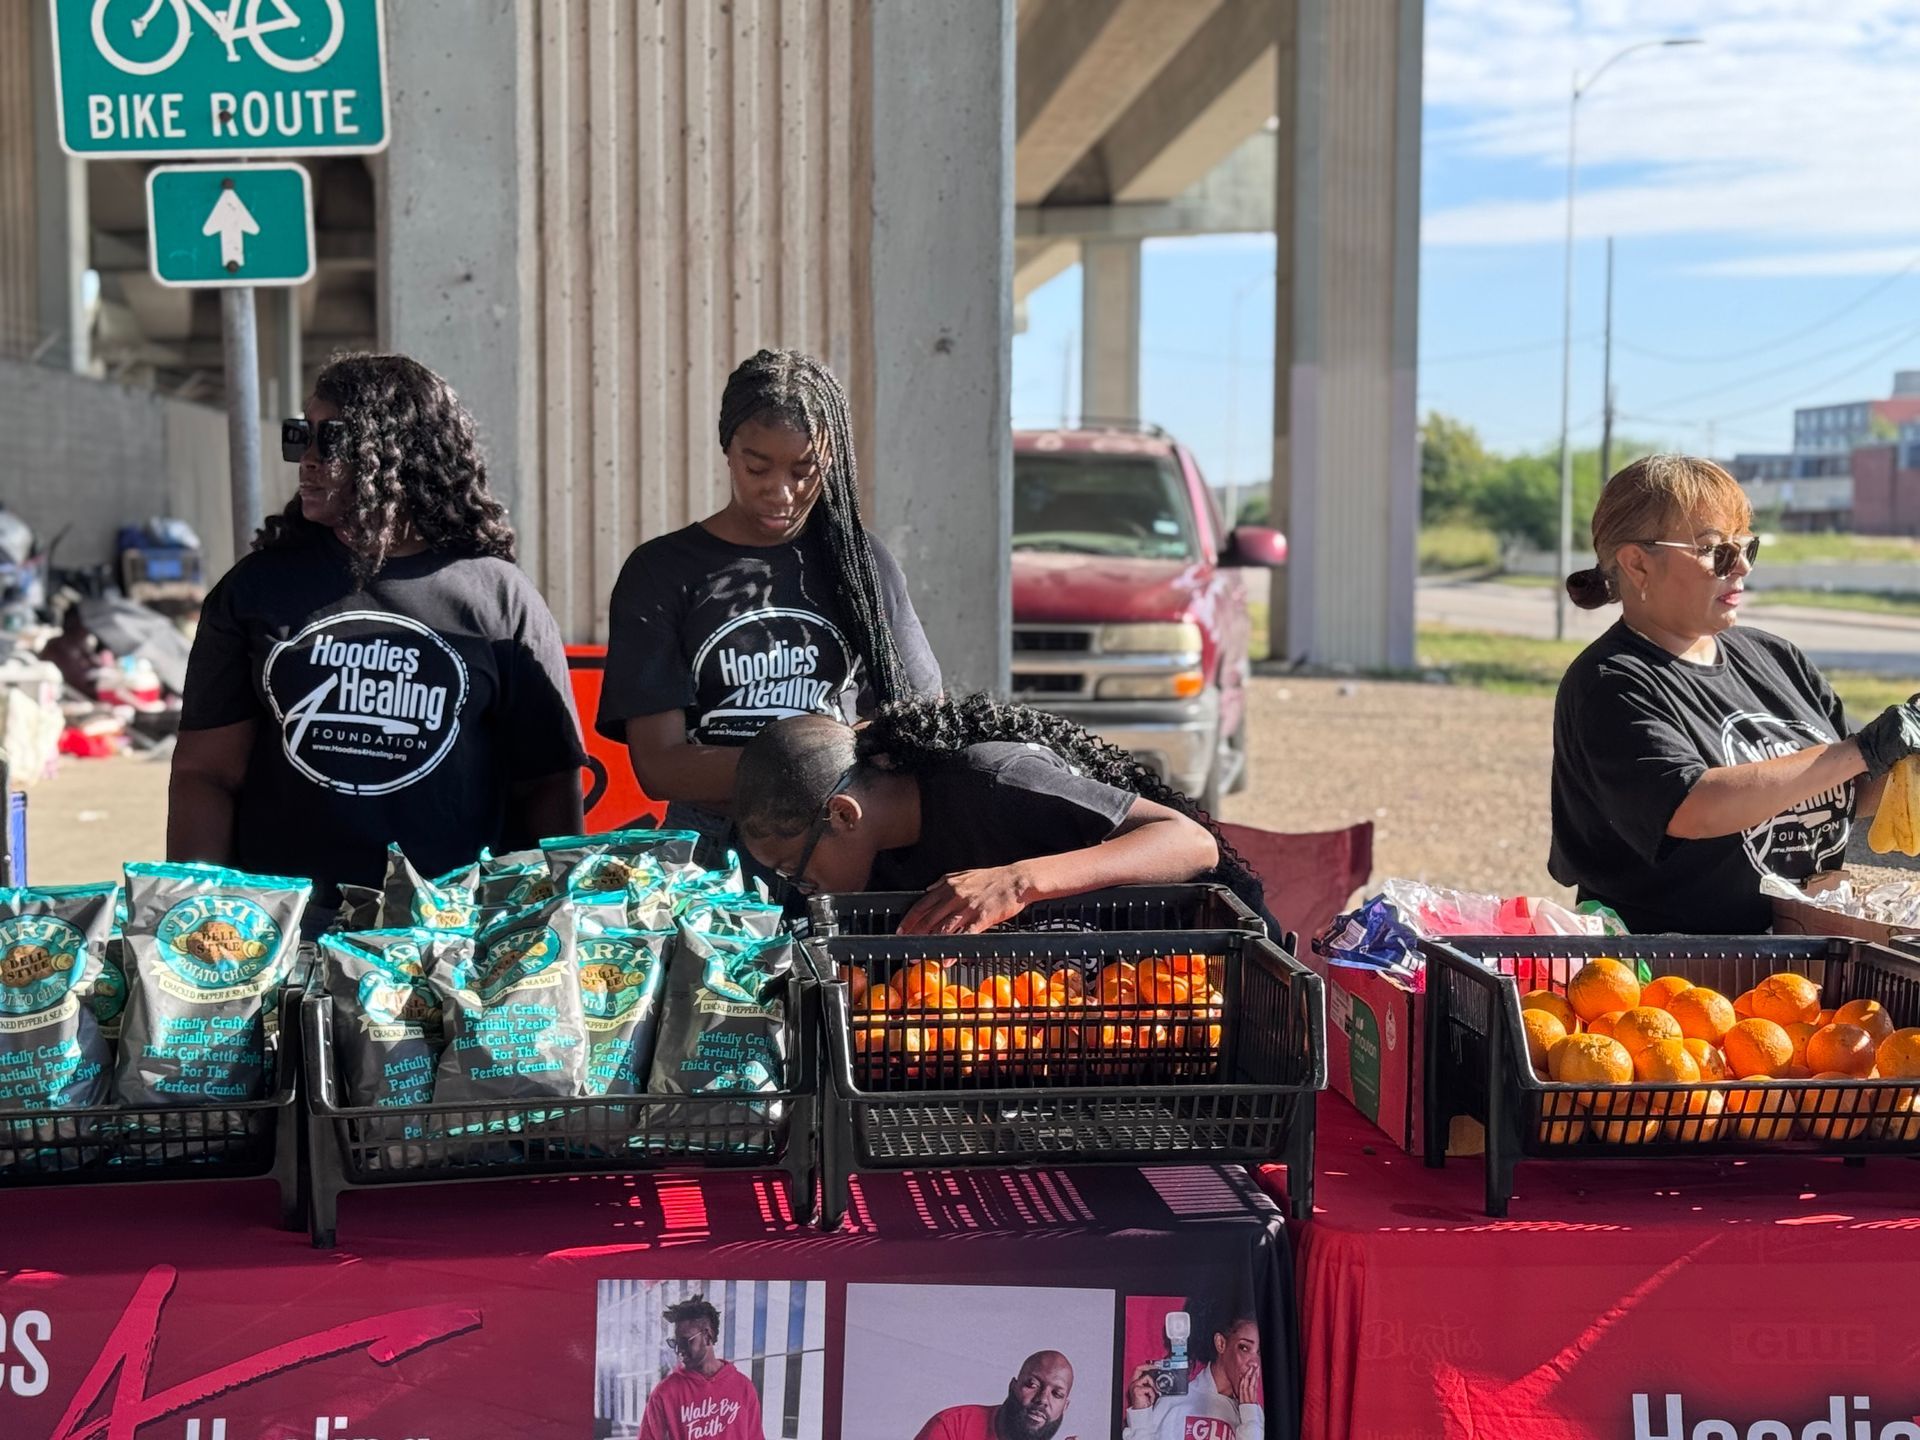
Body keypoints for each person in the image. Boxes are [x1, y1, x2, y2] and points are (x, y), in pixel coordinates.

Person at [168, 353, 585, 908]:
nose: (308, 460)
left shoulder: (499, 600)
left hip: (445, 941)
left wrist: (544, 922)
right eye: (301, 436)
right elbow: (206, 773)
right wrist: (198, 909)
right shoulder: (255, 591)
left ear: (398, 455)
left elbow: (548, 787)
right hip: (286, 932)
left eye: (331, 439)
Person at [596, 348, 940, 872]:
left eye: (806, 470)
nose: (782, 492)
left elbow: (918, 723)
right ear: (728, 449)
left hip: (840, 847)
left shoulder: (863, 564)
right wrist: (821, 770)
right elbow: (660, 766)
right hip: (711, 857)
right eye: (758, 466)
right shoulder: (661, 571)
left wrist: (820, 782)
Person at [1551, 454, 1920, 933]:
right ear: (1638, 564)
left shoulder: (1775, 657)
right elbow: (1693, 807)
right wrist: (1858, 750)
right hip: (1673, 977)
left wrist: (1899, 757)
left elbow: (1845, 788)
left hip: (1801, 956)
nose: (1741, 565)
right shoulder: (1611, 681)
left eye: (1746, 546)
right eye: (1714, 550)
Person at [730, 695, 1271, 933]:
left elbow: (1190, 843)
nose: (804, 890)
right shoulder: (876, 866)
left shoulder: (994, 780)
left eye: (794, 872)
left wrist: (1018, 882)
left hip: (1190, 986)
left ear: (844, 815)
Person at [1123, 1303, 1262, 1440]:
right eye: (1244, 1348)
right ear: (1221, 1343)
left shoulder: (1254, 1417)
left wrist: (1250, 1413)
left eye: (1260, 1352)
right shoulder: (1175, 1400)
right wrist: (1140, 1415)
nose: (1254, 1363)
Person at [638, 1295, 766, 1440]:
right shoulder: (664, 1394)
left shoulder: (743, 1387)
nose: (679, 1350)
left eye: (685, 1341)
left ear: (707, 1336)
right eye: (676, 1343)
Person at [913, 1350, 1076, 1440]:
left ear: (1065, 1407)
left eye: (1057, 1394)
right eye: (1032, 1385)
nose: (1042, 1400)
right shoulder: (952, 1427)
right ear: (1013, 1386)